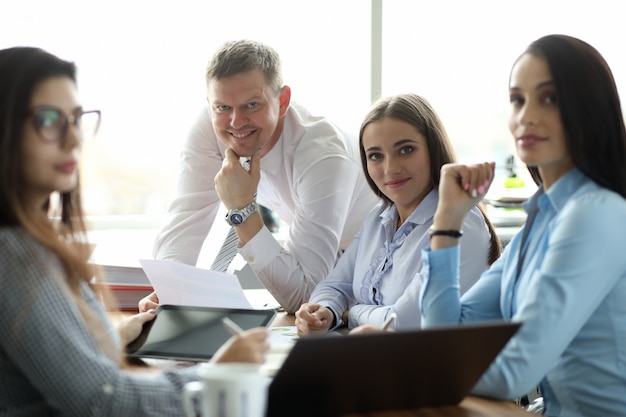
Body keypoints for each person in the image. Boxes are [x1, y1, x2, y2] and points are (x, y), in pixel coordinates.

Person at [0, 46, 269, 416]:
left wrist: (118, 335)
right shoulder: (16, 253)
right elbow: (103, 399)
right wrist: (217, 375)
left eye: (76, 119)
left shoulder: (29, 239)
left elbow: (55, 365)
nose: (73, 140)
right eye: (48, 120)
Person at [420, 34, 626, 416]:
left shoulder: (595, 213)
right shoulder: (541, 222)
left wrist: (410, 371)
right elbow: (449, 335)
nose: (525, 116)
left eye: (549, 98)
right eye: (517, 99)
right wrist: (447, 220)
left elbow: (515, 372)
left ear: (589, 109)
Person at [140, 39, 378, 314]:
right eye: (222, 108)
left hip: (373, 262)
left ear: (283, 100)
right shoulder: (209, 127)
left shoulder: (323, 155)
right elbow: (186, 218)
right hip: (320, 255)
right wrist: (171, 289)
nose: (236, 122)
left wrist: (242, 210)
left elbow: (305, 296)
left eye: (252, 105)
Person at [294, 94, 501, 335]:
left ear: (433, 150)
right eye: (376, 156)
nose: (391, 168)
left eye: (406, 150)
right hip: (381, 358)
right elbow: (335, 285)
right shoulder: (379, 216)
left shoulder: (461, 223)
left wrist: (352, 313)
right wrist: (323, 311)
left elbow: (405, 322)